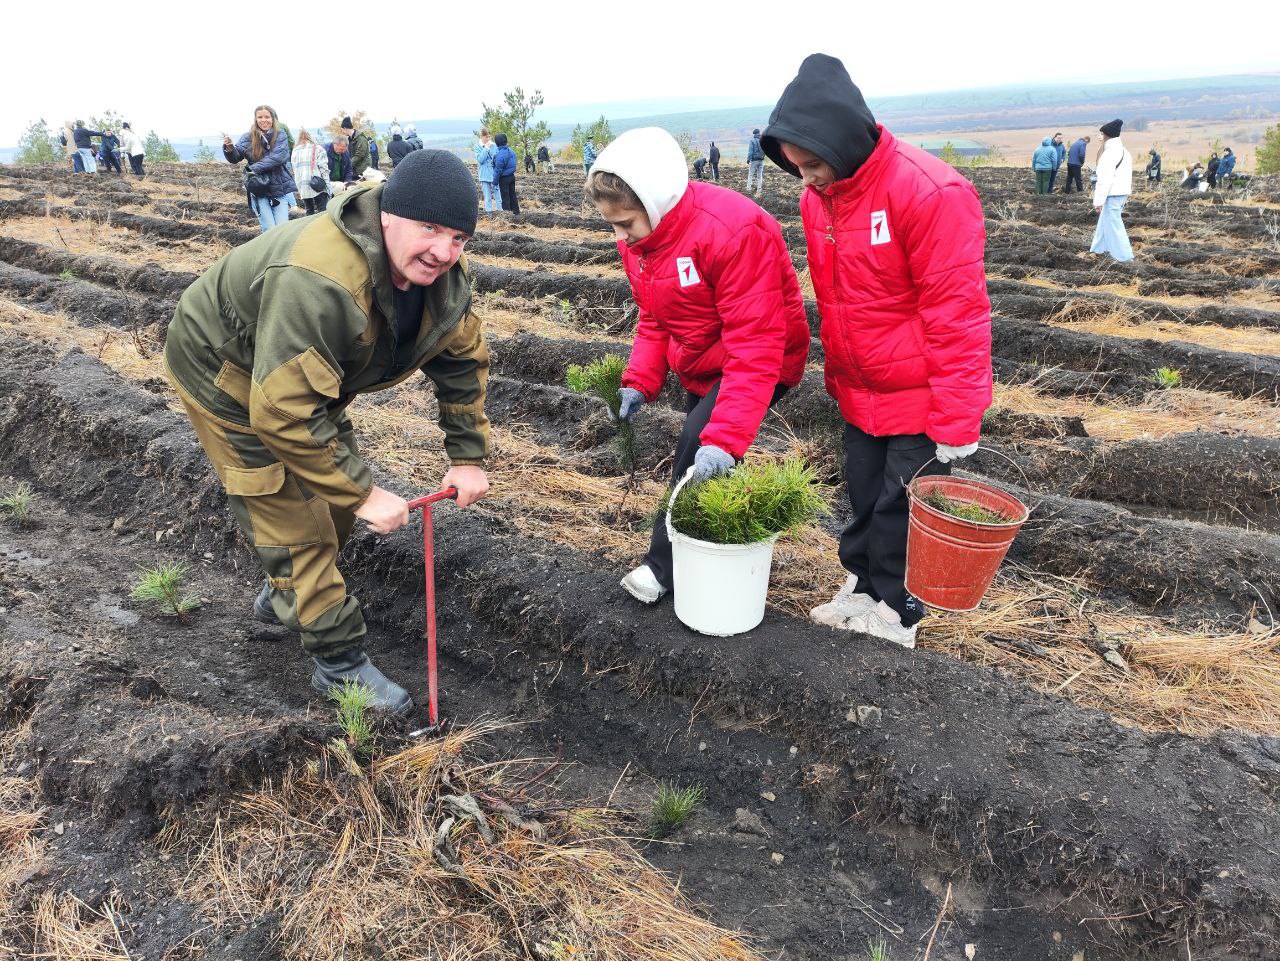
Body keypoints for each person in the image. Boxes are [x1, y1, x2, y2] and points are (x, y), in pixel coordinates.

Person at [163, 149, 491, 713]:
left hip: (304, 380)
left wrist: (468, 456)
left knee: (335, 506)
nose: (443, 250)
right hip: (226, 368)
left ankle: (287, 591)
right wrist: (364, 492)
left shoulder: (444, 284)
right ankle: (339, 664)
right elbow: (281, 409)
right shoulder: (321, 278)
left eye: (458, 237)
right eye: (430, 229)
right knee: (295, 516)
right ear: (389, 214)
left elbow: (461, 362)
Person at [762, 53, 992, 648]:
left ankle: (898, 613)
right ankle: (863, 586)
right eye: (797, 169)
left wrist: (959, 416)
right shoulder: (822, 198)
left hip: (918, 389)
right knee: (864, 494)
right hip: (860, 384)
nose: (806, 179)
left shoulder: (932, 193)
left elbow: (957, 312)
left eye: (813, 165)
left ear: (840, 141)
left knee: (902, 505)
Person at [584, 127, 810, 605]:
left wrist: (725, 438)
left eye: (625, 222)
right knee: (708, 460)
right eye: (611, 225)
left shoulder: (731, 231)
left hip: (760, 356)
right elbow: (656, 314)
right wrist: (640, 381)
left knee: (700, 446)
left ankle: (662, 567)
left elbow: (757, 343)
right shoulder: (640, 245)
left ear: (658, 201)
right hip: (702, 359)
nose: (619, 236)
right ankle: (714, 551)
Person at [224, 105, 298, 233]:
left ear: (273, 119)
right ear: (255, 119)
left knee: (282, 230)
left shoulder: (280, 135)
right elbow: (235, 158)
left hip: (278, 187)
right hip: (258, 188)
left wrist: (253, 169)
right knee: (269, 229)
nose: (264, 120)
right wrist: (230, 148)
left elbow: (278, 157)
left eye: (267, 117)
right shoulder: (247, 137)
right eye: (260, 117)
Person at [1090, 119, 1133, 263]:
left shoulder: (1109, 153)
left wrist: (1098, 201)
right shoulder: (1124, 151)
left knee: (1114, 224)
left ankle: (1125, 257)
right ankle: (1098, 249)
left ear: (1107, 135)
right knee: (1105, 221)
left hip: (1112, 193)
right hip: (1121, 192)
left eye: (1102, 134)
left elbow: (1104, 179)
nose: (1100, 136)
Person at [291, 128, 331, 216]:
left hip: (302, 185)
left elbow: (294, 170)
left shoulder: (295, 151)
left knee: (309, 211)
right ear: (311, 137)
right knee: (322, 211)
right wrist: (328, 186)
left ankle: (310, 228)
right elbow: (323, 168)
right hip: (317, 184)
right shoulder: (318, 148)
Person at [474, 128, 500, 212]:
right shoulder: (477, 146)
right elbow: (481, 160)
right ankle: (489, 214)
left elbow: (496, 158)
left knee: (498, 196)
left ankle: (501, 212)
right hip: (484, 175)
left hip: (494, 174)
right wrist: (486, 148)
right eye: (486, 137)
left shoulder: (494, 145)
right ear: (482, 136)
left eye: (489, 137)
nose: (488, 139)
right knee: (487, 197)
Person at [494, 132, 519, 214]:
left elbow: (498, 170)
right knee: (512, 195)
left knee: (505, 197)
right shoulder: (511, 151)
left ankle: (507, 215)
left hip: (504, 178)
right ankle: (516, 212)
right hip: (512, 176)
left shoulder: (500, 154)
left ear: (497, 143)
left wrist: (495, 181)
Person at [746, 128, 765, 195]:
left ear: (754, 134)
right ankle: (759, 188)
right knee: (759, 175)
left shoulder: (752, 141)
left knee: (750, 174)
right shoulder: (762, 140)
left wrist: (748, 159)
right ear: (759, 133)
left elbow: (750, 151)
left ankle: (748, 188)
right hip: (761, 160)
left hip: (754, 160)